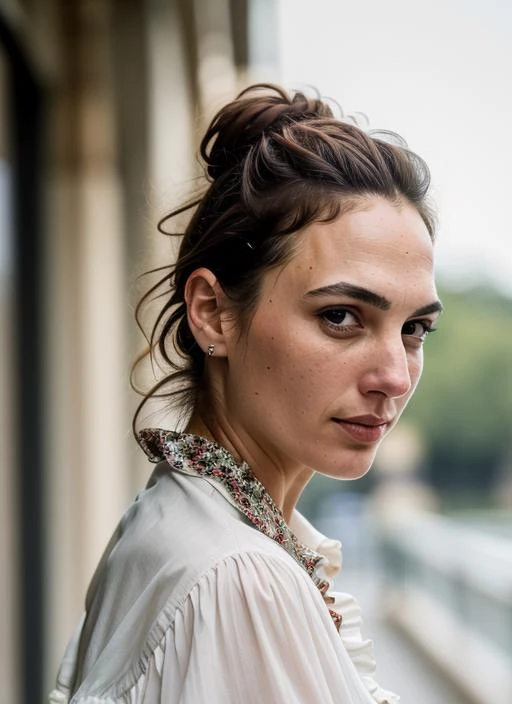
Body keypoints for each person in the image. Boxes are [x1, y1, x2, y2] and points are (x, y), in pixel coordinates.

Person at [50, 83, 442, 703]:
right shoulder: (239, 581)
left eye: (415, 328)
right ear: (212, 313)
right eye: (341, 316)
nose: (394, 376)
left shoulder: (176, 527)